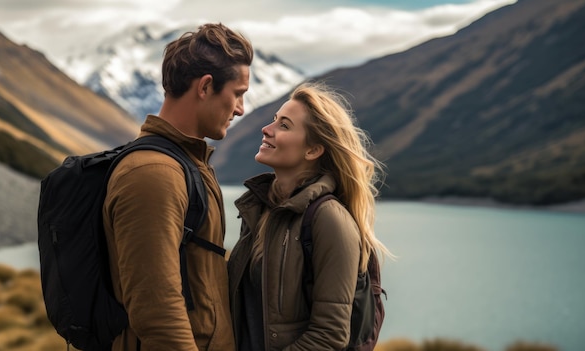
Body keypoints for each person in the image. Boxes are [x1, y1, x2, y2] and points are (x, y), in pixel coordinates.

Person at [102, 23, 253, 351]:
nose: (241, 109)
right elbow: (157, 311)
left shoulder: (184, 163)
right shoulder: (154, 174)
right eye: (238, 94)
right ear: (206, 86)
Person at [228, 81, 390, 350]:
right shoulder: (262, 210)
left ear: (313, 150)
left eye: (284, 125)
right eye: (274, 120)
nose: (266, 130)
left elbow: (329, 335)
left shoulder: (329, 219)